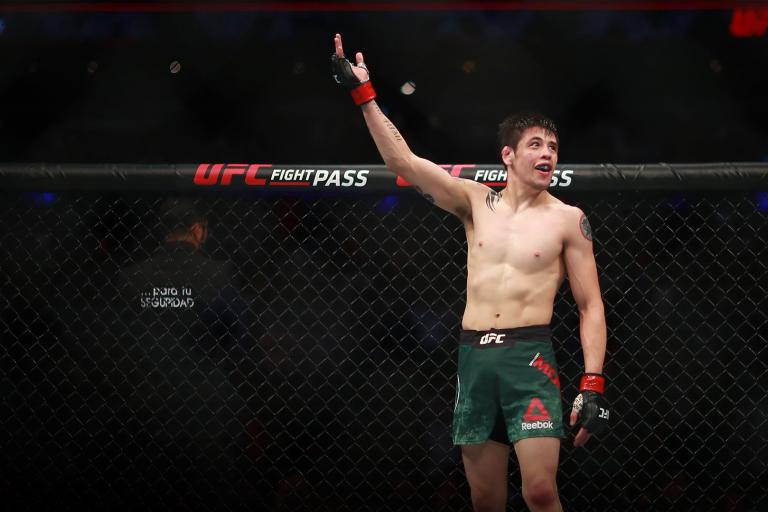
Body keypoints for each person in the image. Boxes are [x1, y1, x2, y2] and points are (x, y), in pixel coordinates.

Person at [331, 34, 610, 512]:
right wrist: (364, 95)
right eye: (537, 144)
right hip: (474, 359)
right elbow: (403, 161)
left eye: (554, 147)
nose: (548, 154)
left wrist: (593, 380)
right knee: (485, 500)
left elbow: (590, 305)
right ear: (508, 155)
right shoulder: (474, 201)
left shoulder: (568, 219)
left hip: (530, 358)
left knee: (541, 492)